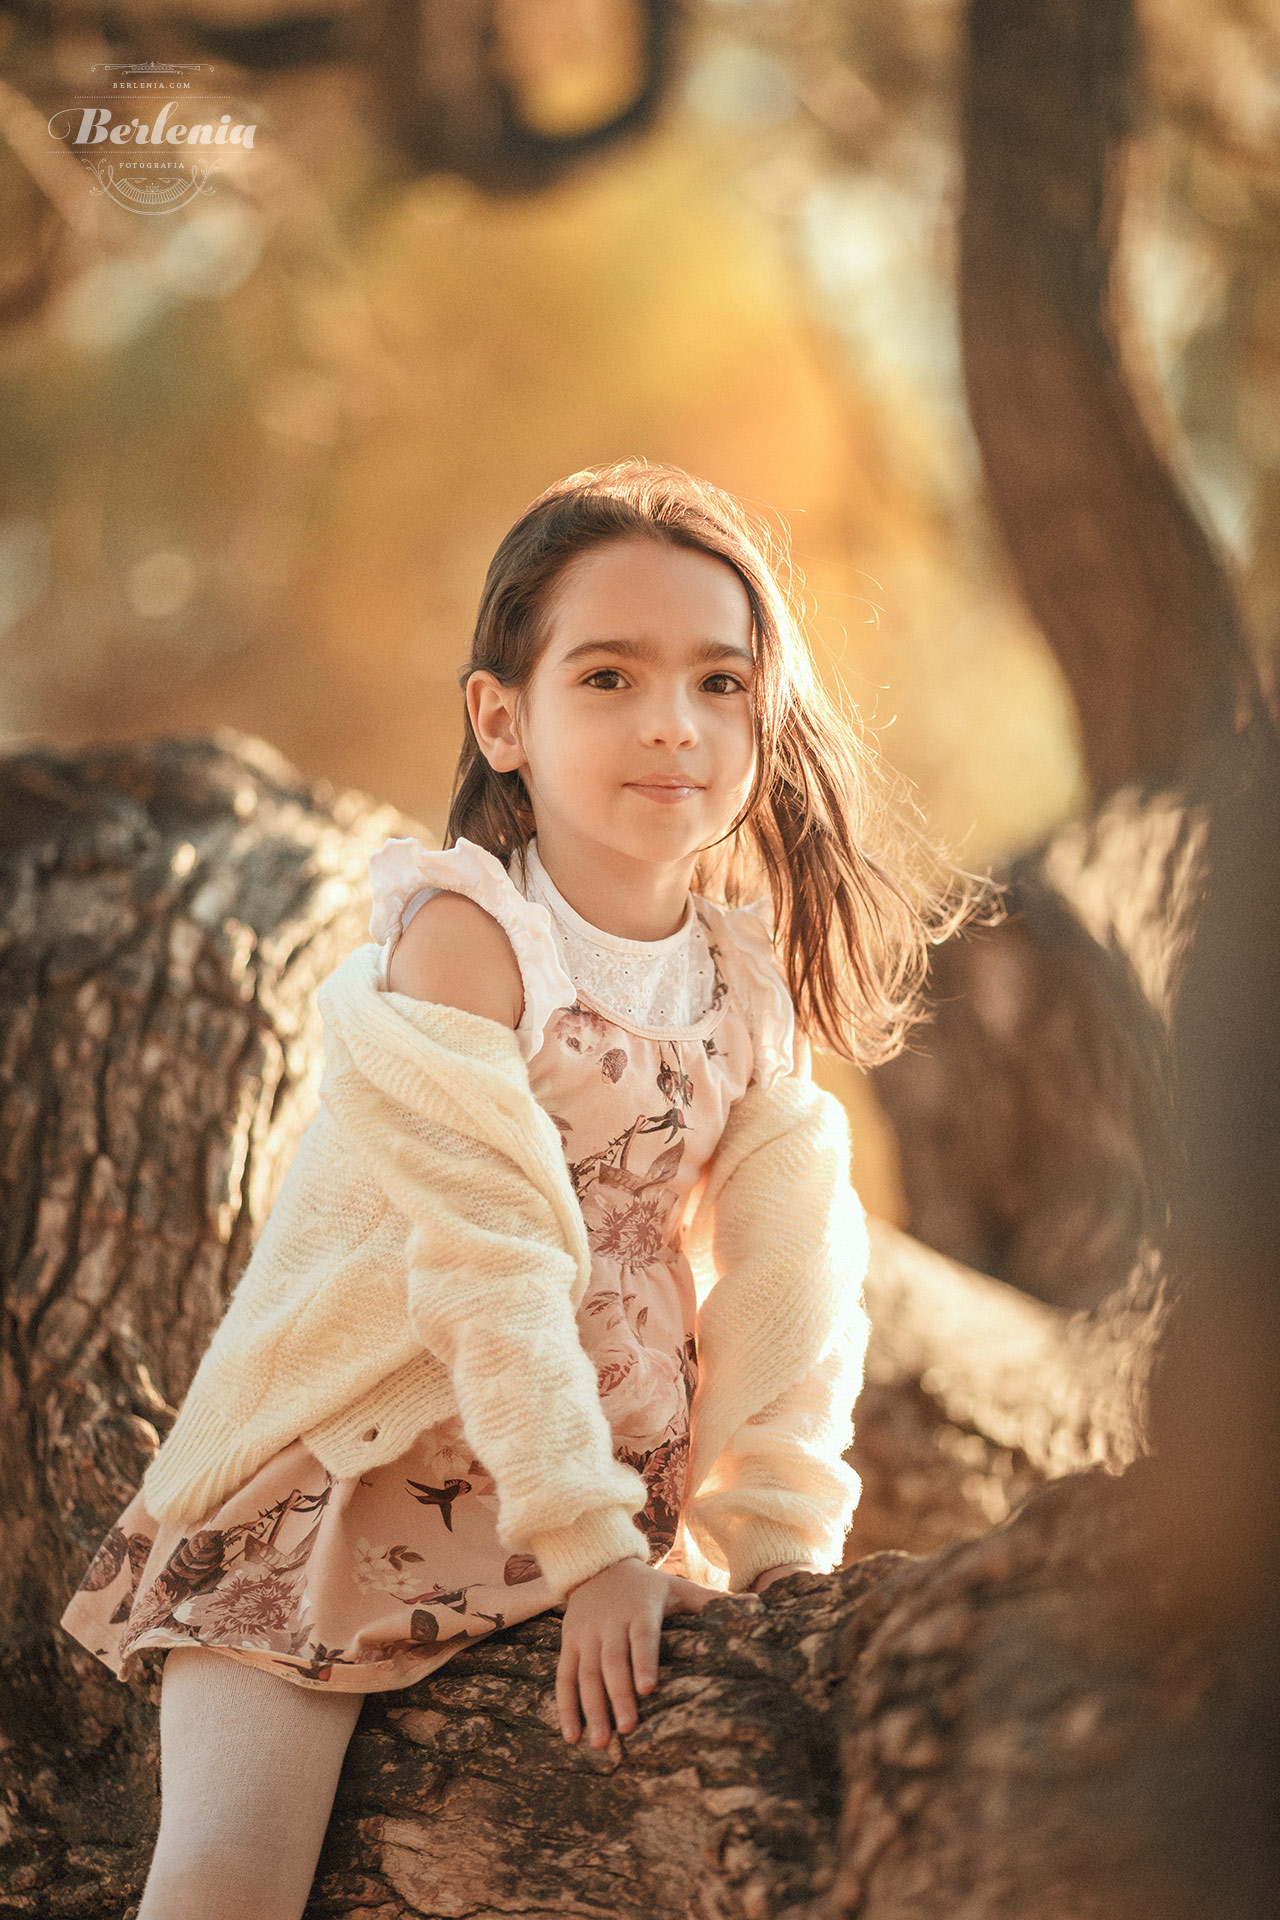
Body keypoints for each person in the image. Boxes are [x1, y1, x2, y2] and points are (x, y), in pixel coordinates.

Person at [60, 460, 994, 1920]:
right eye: (609, 676)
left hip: (602, 1512)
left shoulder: (747, 990)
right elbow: (489, 1264)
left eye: (720, 682)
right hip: (355, 1491)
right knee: (231, 1880)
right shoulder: (469, 943)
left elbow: (797, 1296)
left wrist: (777, 1559)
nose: (672, 723)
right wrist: (590, 1547)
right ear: (504, 717)